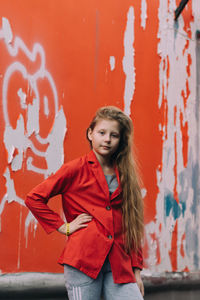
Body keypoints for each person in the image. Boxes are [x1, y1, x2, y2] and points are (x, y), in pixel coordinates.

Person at [25, 106, 144, 300]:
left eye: (114, 135)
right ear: (90, 134)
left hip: (118, 264)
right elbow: (34, 198)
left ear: (121, 140)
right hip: (84, 261)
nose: (107, 139)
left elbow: (131, 224)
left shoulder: (126, 175)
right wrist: (63, 227)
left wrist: (136, 271)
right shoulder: (74, 169)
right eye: (102, 133)